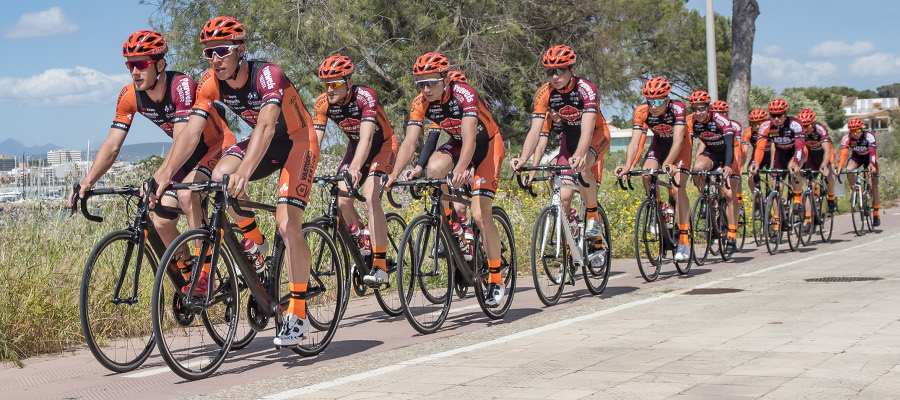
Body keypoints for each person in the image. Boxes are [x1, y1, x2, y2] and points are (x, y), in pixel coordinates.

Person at [178, 16, 320, 346]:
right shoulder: (210, 82)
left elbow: (268, 126)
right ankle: (255, 241)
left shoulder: (268, 75)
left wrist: (244, 172)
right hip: (263, 141)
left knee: (287, 226)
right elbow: (192, 131)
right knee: (217, 178)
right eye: (209, 52)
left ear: (241, 49)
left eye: (222, 50)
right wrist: (163, 175)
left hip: (298, 141)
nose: (216, 59)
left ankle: (297, 313)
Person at [71, 30, 236, 281]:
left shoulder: (181, 86)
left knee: (186, 193)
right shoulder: (129, 96)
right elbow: (112, 144)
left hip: (216, 145)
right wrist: (87, 181)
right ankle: (189, 270)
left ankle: (206, 271)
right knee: (160, 220)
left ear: (159, 64)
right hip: (186, 155)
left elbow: (183, 138)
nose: (134, 72)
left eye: (141, 64)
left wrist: (159, 177)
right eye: (130, 65)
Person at [388, 53, 507, 307]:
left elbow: (471, 138)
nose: (425, 88)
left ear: (445, 78)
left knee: (479, 214)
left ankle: (496, 277)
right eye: (420, 83)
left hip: (487, 145)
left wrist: (464, 168)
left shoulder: (464, 94)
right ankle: (453, 224)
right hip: (458, 144)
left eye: (431, 82)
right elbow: (410, 142)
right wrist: (393, 173)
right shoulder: (421, 102)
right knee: (434, 169)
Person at [312, 55, 398, 285]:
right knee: (342, 201)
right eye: (325, 84)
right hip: (354, 146)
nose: (329, 89)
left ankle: (380, 265)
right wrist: (305, 167)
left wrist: (357, 168)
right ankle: (363, 239)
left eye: (335, 84)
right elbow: (314, 142)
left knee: (371, 197)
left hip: (382, 146)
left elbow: (368, 137)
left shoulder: (365, 97)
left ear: (349, 82)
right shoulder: (322, 103)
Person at [510, 45, 610, 242]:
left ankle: (592, 219)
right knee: (563, 197)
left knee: (583, 167)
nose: (555, 76)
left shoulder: (586, 89)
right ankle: (568, 242)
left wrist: (580, 154)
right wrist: (523, 158)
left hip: (595, 135)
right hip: (569, 138)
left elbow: (589, 129)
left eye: (560, 70)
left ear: (571, 69)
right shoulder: (544, 92)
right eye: (550, 72)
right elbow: (535, 131)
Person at [616, 77, 692, 261]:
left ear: (667, 100)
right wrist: (628, 166)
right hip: (658, 144)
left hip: (680, 148)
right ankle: (658, 209)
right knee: (646, 174)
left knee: (677, 188)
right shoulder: (642, 111)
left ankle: (684, 240)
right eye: (650, 101)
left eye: (658, 101)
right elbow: (634, 143)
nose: (653, 106)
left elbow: (678, 140)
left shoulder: (678, 108)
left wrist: (669, 162)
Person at [688, 96, 740, 254]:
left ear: (708, 108)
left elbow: (730, 145)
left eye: (701, 108)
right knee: (697, 168)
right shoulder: (691, 121)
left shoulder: (720, 120)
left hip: (729, 154)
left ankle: (732, 234)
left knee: (730, 194)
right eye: (695, 109)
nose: (698, 112)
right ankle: (705, 198)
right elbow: (688, 145)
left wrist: (728, 165)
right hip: (711, 153)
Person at [748, 98, 806, 217]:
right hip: (780, 154)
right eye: (773, 116)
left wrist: (796, 162)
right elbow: (760, 148)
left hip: (795, 152)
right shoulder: (766, 126)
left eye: (779, 115)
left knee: (793, 169)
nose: (776, 119)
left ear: (785, 114)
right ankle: (777, 223)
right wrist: (756, 163)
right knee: (775, 187)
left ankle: (797, 199)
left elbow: (799, 147)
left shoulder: (795, 124)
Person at [837, 118, 881, 226]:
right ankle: (856, 190)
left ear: (862, 129)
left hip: (870, 158)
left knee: (873, 185)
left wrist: (871, 164)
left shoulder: (869, 136)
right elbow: (844, 153)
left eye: (857, 131)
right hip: (857, 157)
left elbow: (872, 152)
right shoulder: (847, 138)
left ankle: (876, 213)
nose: (855, 134)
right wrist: (839, 167)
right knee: (849, 170)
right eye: (852, 131)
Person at [796, 108, 837, 213]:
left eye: (808, 126)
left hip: (825, 155)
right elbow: (801, 151)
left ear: (813, 124)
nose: (805, 129)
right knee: (809, 185)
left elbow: (828, 151)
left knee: (828, 175)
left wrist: (824, 165)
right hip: (812, 157)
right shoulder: (799, 132)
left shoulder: (820, 129)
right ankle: (809, 219)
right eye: (803, 126)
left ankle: (831, 199)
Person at [742, 108, 769, 217]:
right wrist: (741, 165)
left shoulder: (771, 129)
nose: (758, 126)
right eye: (754, 123)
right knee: (750, 175)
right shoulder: (748, 132)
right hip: (758, 156)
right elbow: (744, 151)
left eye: (760, 123)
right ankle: (757, 200)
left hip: (772, 155)